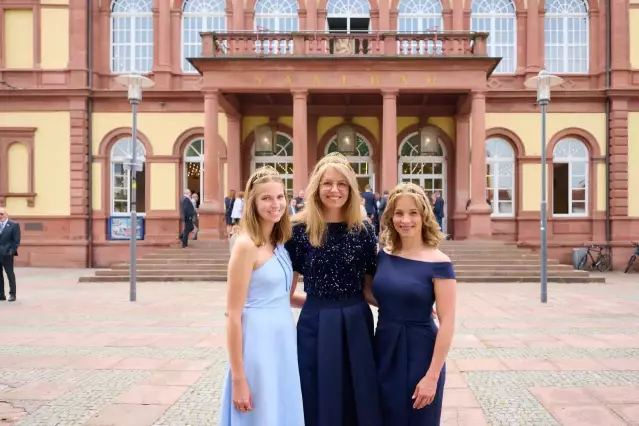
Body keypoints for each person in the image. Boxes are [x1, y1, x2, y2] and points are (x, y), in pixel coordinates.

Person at [285, 152, 381, 426]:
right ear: (316, 187)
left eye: (342, 184)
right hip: (315, 322)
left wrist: (406, 309)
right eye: (327, 183)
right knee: (315, 388)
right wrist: (316, 305)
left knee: (357, 389)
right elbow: (286, 293)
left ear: (351, 189)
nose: (334, 190)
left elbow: (368, 289)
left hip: (356, 321)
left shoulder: (362, 230)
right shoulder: (299, 229)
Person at [220, 166, 304, 426]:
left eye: (279, 197)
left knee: (281, 409)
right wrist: (238, 378)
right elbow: (232, 314)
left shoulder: (279, 243)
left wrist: (327, 303)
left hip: (283, 340)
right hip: (257, 342)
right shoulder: (246, 246)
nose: (275, 204)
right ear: (253, 203)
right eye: (266, 198)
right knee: (260, 413)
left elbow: (282, 296)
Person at [372, 182, 457, 426]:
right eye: (399, 213)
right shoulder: (383, 255)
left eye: (413, 213)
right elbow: (375, 293)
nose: (405, 220)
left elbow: (448, 322)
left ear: (424, 216)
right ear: (390, 217)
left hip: (421, 352)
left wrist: (432, 376)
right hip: (384, 346)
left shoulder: (440, 263)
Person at [0, 208, 20, 302]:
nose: (0, 215)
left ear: (6, 214)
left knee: (10, 274)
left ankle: (12, 294)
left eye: (1, 213)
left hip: (7, 254)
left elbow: (16, 241)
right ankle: (1, 294)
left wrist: (11, 251)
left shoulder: (14, 225)